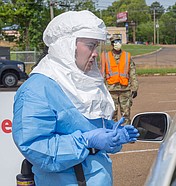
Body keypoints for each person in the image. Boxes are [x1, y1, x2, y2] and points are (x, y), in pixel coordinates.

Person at [12, 10, 139, 186]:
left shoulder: (84, 82)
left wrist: (114, 133)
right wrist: (86, 141)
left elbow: (88, 125)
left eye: (97, 46)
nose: (95, 53)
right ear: (67, 45)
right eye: (90, 45)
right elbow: (35, 147)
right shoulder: (37, 89)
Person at [100, 35, 138, 124]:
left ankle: (126, 134)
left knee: (126, 115)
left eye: (119, 41)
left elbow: (132, 73)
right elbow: (102, 74)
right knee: (112, 114)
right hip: (111, 90)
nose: (118, 44)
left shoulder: (127, 56)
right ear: (112, 44)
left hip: (125, 90)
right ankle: (114, 133)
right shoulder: (106, 56)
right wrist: (102, 89)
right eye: (115, 42)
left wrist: (135, 87)